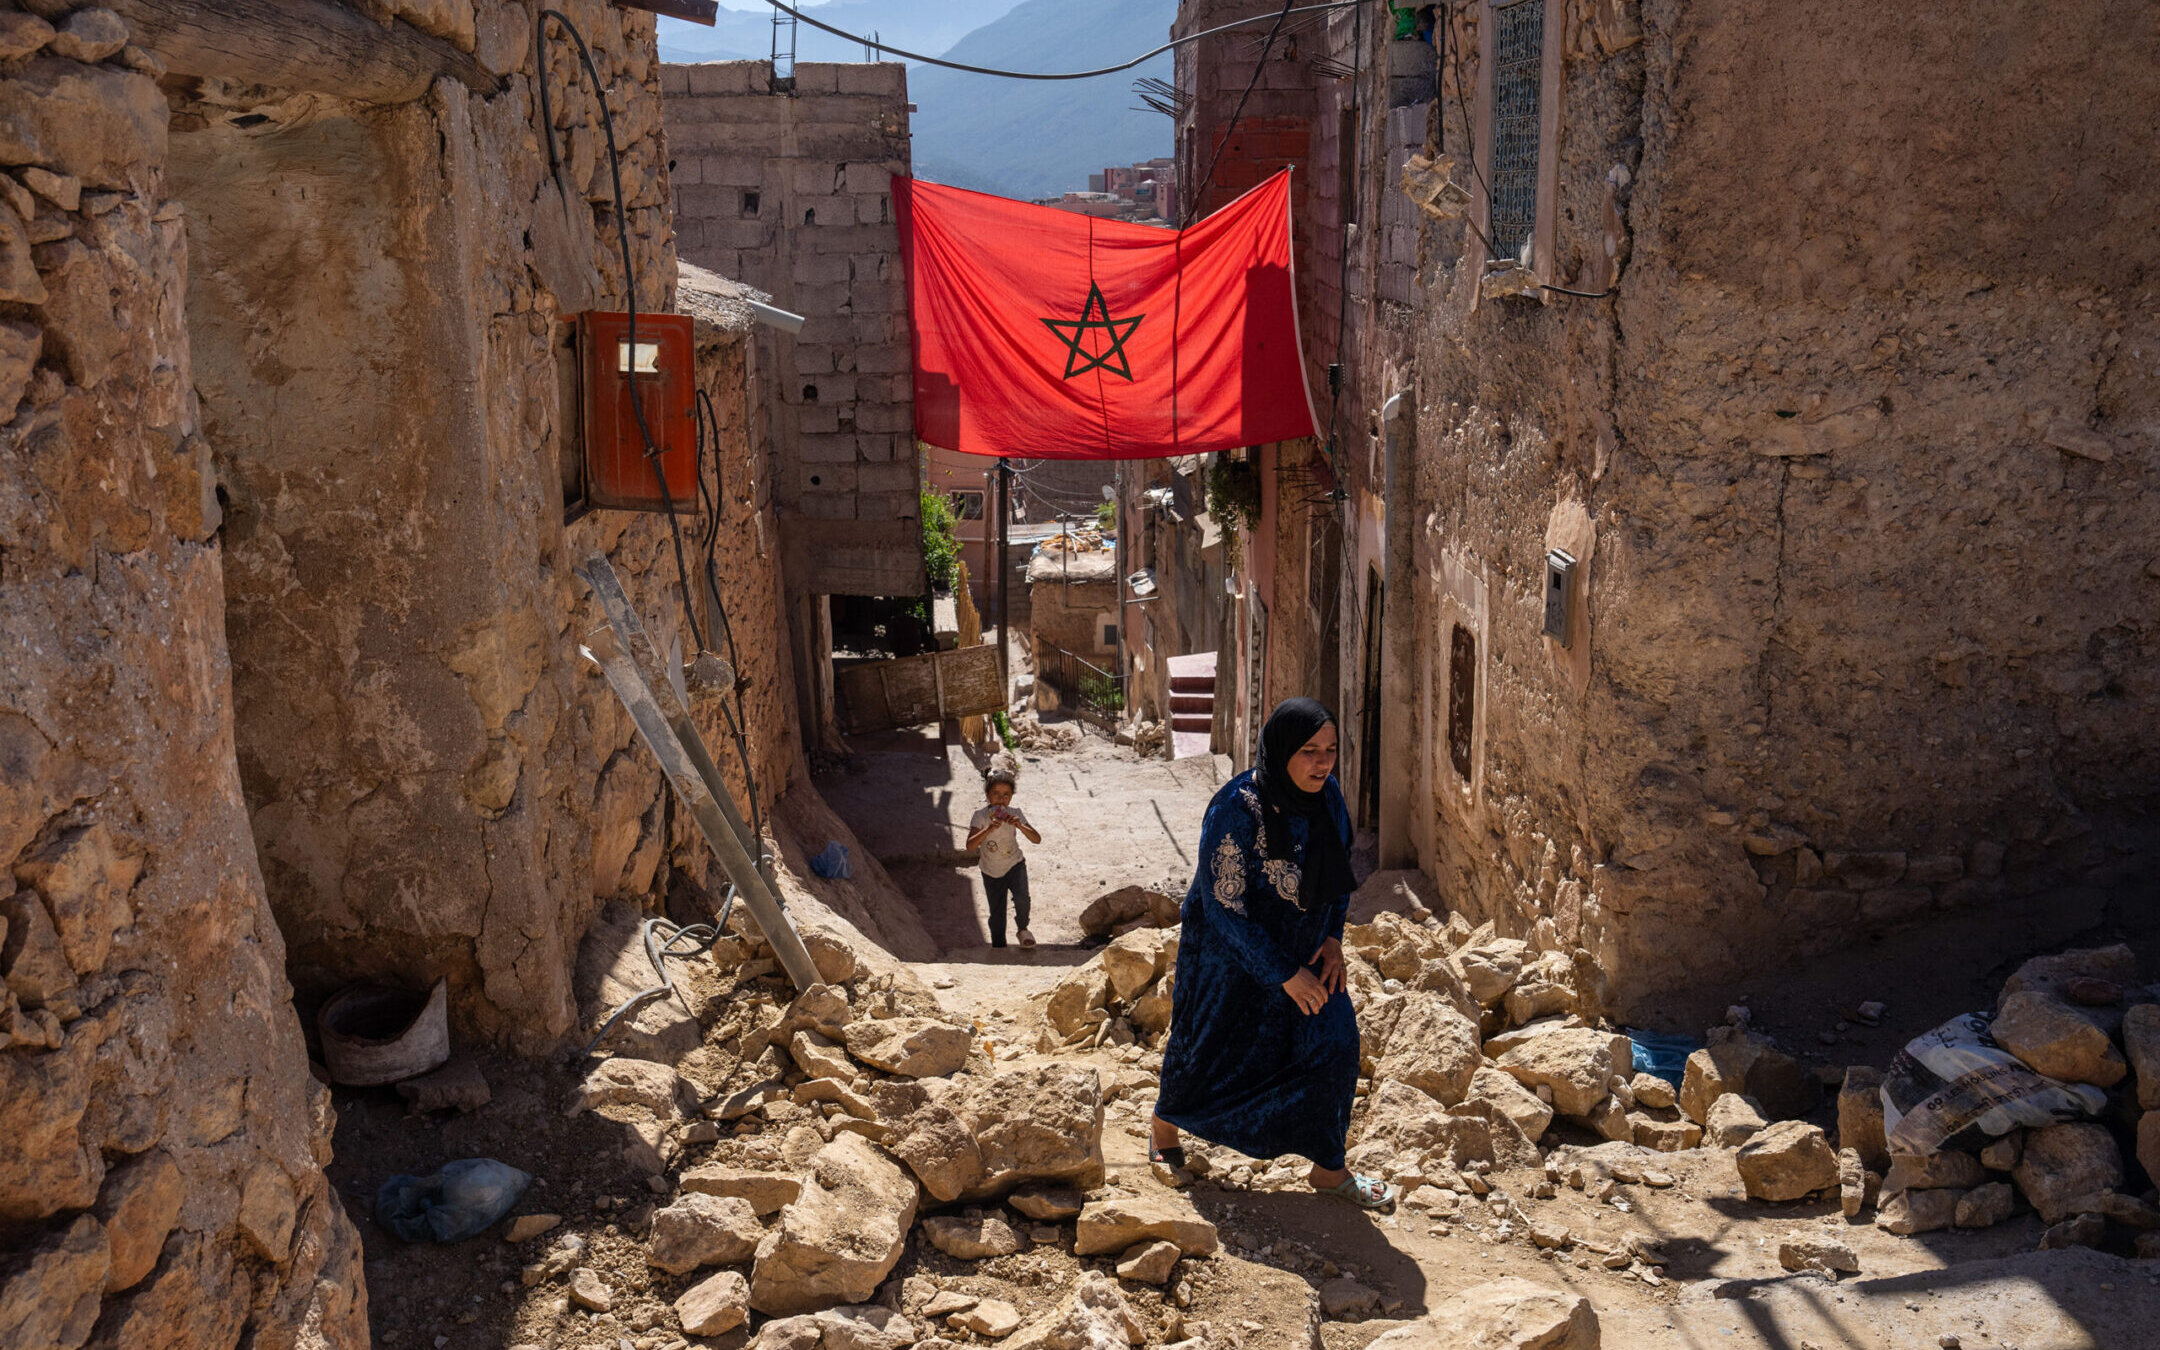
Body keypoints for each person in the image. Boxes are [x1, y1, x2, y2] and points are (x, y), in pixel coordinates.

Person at [1149, 698, 1394, 1210]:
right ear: (1281, 750)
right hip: (1227, 954)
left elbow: (1336, 878)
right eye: (1308, 751)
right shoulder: (1236, 808)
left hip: (1304, 947)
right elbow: (1222, 904)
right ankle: (1165, 1132)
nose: (1322, 763)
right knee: (1207, 1042)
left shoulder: (1328, 800)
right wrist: (1281, 972)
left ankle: (1329, 1168)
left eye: (1329, 751)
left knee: (1335, 1041)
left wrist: (1332, 941)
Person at [967, 768, 1041, 949]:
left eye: (1006, 795)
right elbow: (970, 846)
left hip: (1015, 864)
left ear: (1011, 797)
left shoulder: (1015, 813)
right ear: (988, 795)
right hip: (991, 871)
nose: (1001, 799)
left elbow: (1036, 839)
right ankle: (999, 947)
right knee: (997, 913)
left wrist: (1020, 825)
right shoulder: (980, 816)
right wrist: (989, 829)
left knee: (1023, 899)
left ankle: (1023, 929)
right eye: (996, 794)